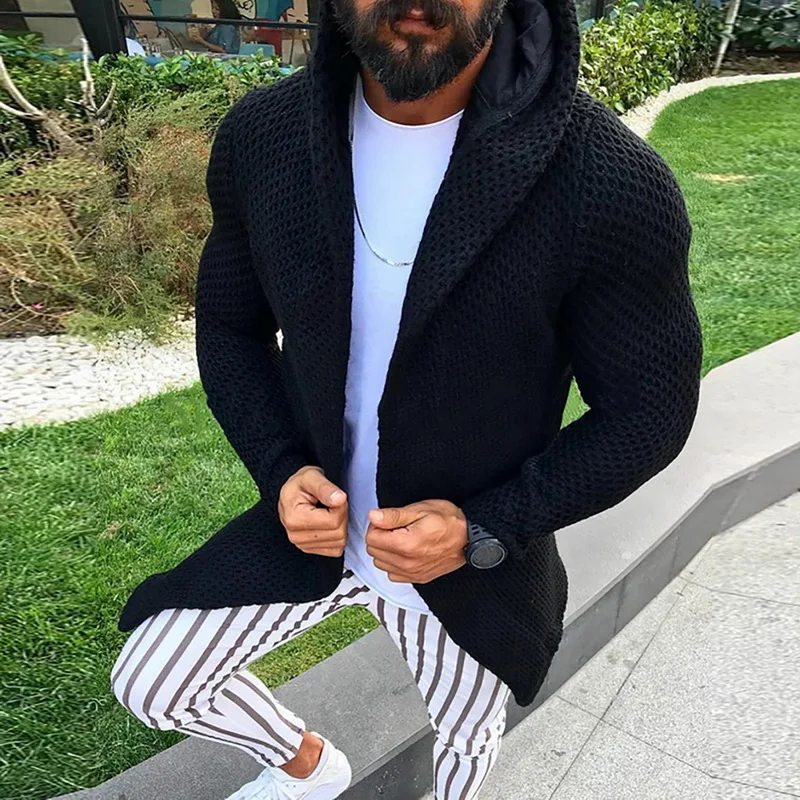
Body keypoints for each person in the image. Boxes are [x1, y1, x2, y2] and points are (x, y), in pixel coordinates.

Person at [111, 0, 703, 796]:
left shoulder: (606, 180)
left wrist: (486, 529)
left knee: (464, 740)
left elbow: (650, 409)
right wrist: (279, 468)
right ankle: (310, 768)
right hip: (317, 530)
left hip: (469, 559)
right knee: (153, 680)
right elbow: (229, 326)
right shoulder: (265, 137)